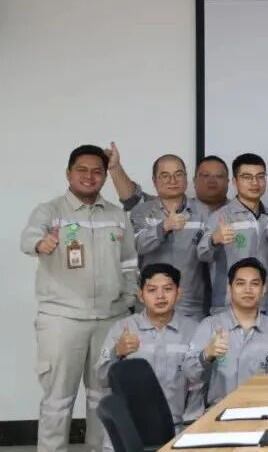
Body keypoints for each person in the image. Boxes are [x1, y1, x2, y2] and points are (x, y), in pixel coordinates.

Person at [20, 144, 138, 452]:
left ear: (105, 176)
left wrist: (128, 301)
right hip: (62, 319)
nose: (89, 176)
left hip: (109, 319)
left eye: (97, 171)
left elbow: (129, 263)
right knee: (58, 400)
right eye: (81, 170)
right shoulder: (50, 211)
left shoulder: (117, 216)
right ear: (68, 173)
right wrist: (41, 243)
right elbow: (29, 237)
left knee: (104, 397)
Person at [95, 264, 202, 430]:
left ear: (178, 293)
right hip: (131, 428)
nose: (160, 296)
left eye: (167, 289)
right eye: (152, 290)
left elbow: (201, 383)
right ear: (141, 295)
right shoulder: (122, 328)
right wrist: (117, 352)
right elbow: (101, 379)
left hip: (179, 427)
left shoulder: (194, 330)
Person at [183, 258, 268, 406]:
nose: (248, 290)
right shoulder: (210, 325)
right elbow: (189, 374)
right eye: (240, 283)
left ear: (264, 289)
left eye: (255, 284)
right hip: (217, 412)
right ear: (229, 288)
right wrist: (206, 355)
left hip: (261, 411)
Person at [198, 153, 268, 315]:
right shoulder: (221, 216)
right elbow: (201, 253)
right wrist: (214, 240)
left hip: (266, 307)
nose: (254, 183)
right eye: (247, 177)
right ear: (234, 182)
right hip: (227, 306)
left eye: (260, 177)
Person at [129, 154, 211, 319]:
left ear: (186, 178)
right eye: (165, 176)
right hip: (150, 305)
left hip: (190, 306)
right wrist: (164, 227)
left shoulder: (205, 212)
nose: (172, 180)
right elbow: (138, 245)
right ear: (154, 181)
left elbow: (209, 256)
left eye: (178, 174)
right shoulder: (141, 212)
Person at [106, 141, 229, 213]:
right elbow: (132, 199)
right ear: (194, 180)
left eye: (219, 176)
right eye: (205, 175)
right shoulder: (155, 208)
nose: (212, 181)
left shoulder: (234, 212)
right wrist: (115, 167)